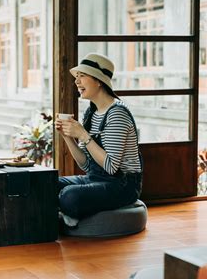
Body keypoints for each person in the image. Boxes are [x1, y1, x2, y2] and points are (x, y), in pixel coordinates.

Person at [55, 53, 143, 227]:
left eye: (82, 76)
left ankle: (68, 210)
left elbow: (111, 167)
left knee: (69, 195)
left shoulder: (117, 114)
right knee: (48, 183)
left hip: (122, 186)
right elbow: (87, 165)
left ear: (99, 81)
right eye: (77, 77)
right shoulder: (92, 113)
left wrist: (83, 135)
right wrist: (67, 137)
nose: (76, 82)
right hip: (95, 178)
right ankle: (68, 211)